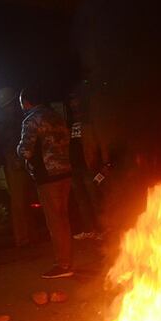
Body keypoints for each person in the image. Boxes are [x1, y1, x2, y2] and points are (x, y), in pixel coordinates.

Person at [17, 86, 74, 279]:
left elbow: (25, 151)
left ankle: (63, 265)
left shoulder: (31, 120)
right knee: (63, 218)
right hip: (65, 172)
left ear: (26, 102)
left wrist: (18, 150)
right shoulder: (56, 116)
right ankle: (66, 260)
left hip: (47, 177)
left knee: (55, 221)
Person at [0, 87, 34, 247]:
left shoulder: (3, 118)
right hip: (15, 161)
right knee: (20, 201)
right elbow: (7, 143)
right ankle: (24, 238)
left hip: (16, 160)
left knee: (23, 200)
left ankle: (28, 235)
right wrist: (15, 159)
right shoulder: (10, 118)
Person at [66, 91, 104, 240]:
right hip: (75, 168)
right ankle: (90, 230)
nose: (73, 104)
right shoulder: (70, 121)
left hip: (89, 166)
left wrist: (102, 163)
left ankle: (103, 229)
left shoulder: (90, 121)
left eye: (76, 101)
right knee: (82, 200)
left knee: (94, 198)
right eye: (71, 101)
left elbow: (98, 143)